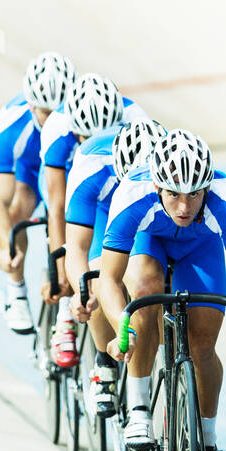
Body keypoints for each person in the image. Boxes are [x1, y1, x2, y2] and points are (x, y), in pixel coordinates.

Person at [97, 129, 226, 451]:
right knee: (143, 290)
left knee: (202, 345)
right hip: (150, 242)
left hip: (200, 250)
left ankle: (206, 443)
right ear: (157, 187)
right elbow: (108, 278)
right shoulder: (133, 196)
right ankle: (139, 405)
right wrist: (121, 326)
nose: (184, 207)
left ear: (208, 188)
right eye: (173, 194)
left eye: (194, 194)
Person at [55, 119, 167, 421]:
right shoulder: (90, 166)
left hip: (154, 213)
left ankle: (159, 361)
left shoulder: (168, 161)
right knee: (96, 276)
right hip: (107, 213)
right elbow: (76, 246)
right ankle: (104, 361)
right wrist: (81, 290)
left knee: (151, 280)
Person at [37, 74, 149, 322]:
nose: (100, 148)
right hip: (76, 179)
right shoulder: (57, 129)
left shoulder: (137, 119)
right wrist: (63, 272)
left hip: (123, 178)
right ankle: (68, 323)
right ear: (76, 132)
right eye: (90, 140)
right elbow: (57, 207)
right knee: (89, 278)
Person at [0, 51, 75, 333]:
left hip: (69, 166)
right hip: (32, 167)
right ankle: (16, 290)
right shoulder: (11, 127)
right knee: (18, 209)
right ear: (31, 105)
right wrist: (5, 246)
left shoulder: (82, 115)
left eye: (59, 112)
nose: (52, 121)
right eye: (45, 113)